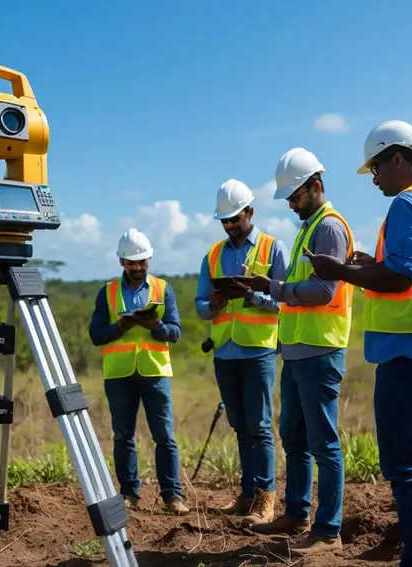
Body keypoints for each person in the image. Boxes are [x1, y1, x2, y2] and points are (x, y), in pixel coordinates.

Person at [304, 120, 412, 567]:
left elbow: (401, 276)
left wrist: (341, 271)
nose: (373, 178)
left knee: (405, 464)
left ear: (397, 157)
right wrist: (368, 266)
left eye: (376, 168)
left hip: (409, 350)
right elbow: (409, 267)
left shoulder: (407, 204)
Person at [244, 148, 355, 556]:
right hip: (296, 352)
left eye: (295, 196)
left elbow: (323, 292)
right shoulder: (309, 229)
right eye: (289, 198)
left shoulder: (329, 228)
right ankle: (297, 514)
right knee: (293, 435)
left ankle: (328, 532)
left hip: (319, 350)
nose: (291, 204)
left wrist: (272, 288)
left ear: (316, 186)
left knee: (323, 442)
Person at [194, 179, 289, 527]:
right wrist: (215, 303)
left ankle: (266, 500)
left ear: (250, 211)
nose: (230, 225)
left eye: (235, 218)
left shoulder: (272, 248)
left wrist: (251, 296)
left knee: (260, 426)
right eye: (224, 220)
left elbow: (285, 302)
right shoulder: (213, 255)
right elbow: (200, 306)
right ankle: (248, 494)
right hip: (225, 351)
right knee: (241, 427)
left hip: (259, 350)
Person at [88, 228, 190, 515]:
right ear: (121, 262)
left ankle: (172, 497)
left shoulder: (162, 288)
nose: (137, 268)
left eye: (142, 262)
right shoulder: (107, 292)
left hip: (155, 372)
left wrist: (155, 326)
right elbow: (96, 335)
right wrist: (121, 326)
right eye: (131, 263)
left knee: (165, 436)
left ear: (149, 260)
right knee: (123, 436)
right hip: (119, 374)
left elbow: (175, 332)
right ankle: (129, 494)